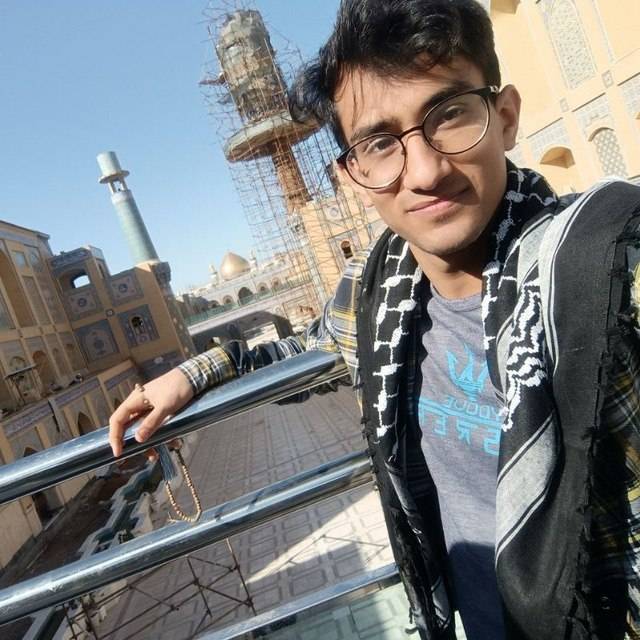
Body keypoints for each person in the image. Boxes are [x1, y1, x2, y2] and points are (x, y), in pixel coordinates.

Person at [109, 1, 640, 638]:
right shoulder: (377, 291)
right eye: (381, 143)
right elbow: (305, 348)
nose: (426, 171)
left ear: (504, 117)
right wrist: (191, 375)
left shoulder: (608, 273)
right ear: (352, 175)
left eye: (449, 114)